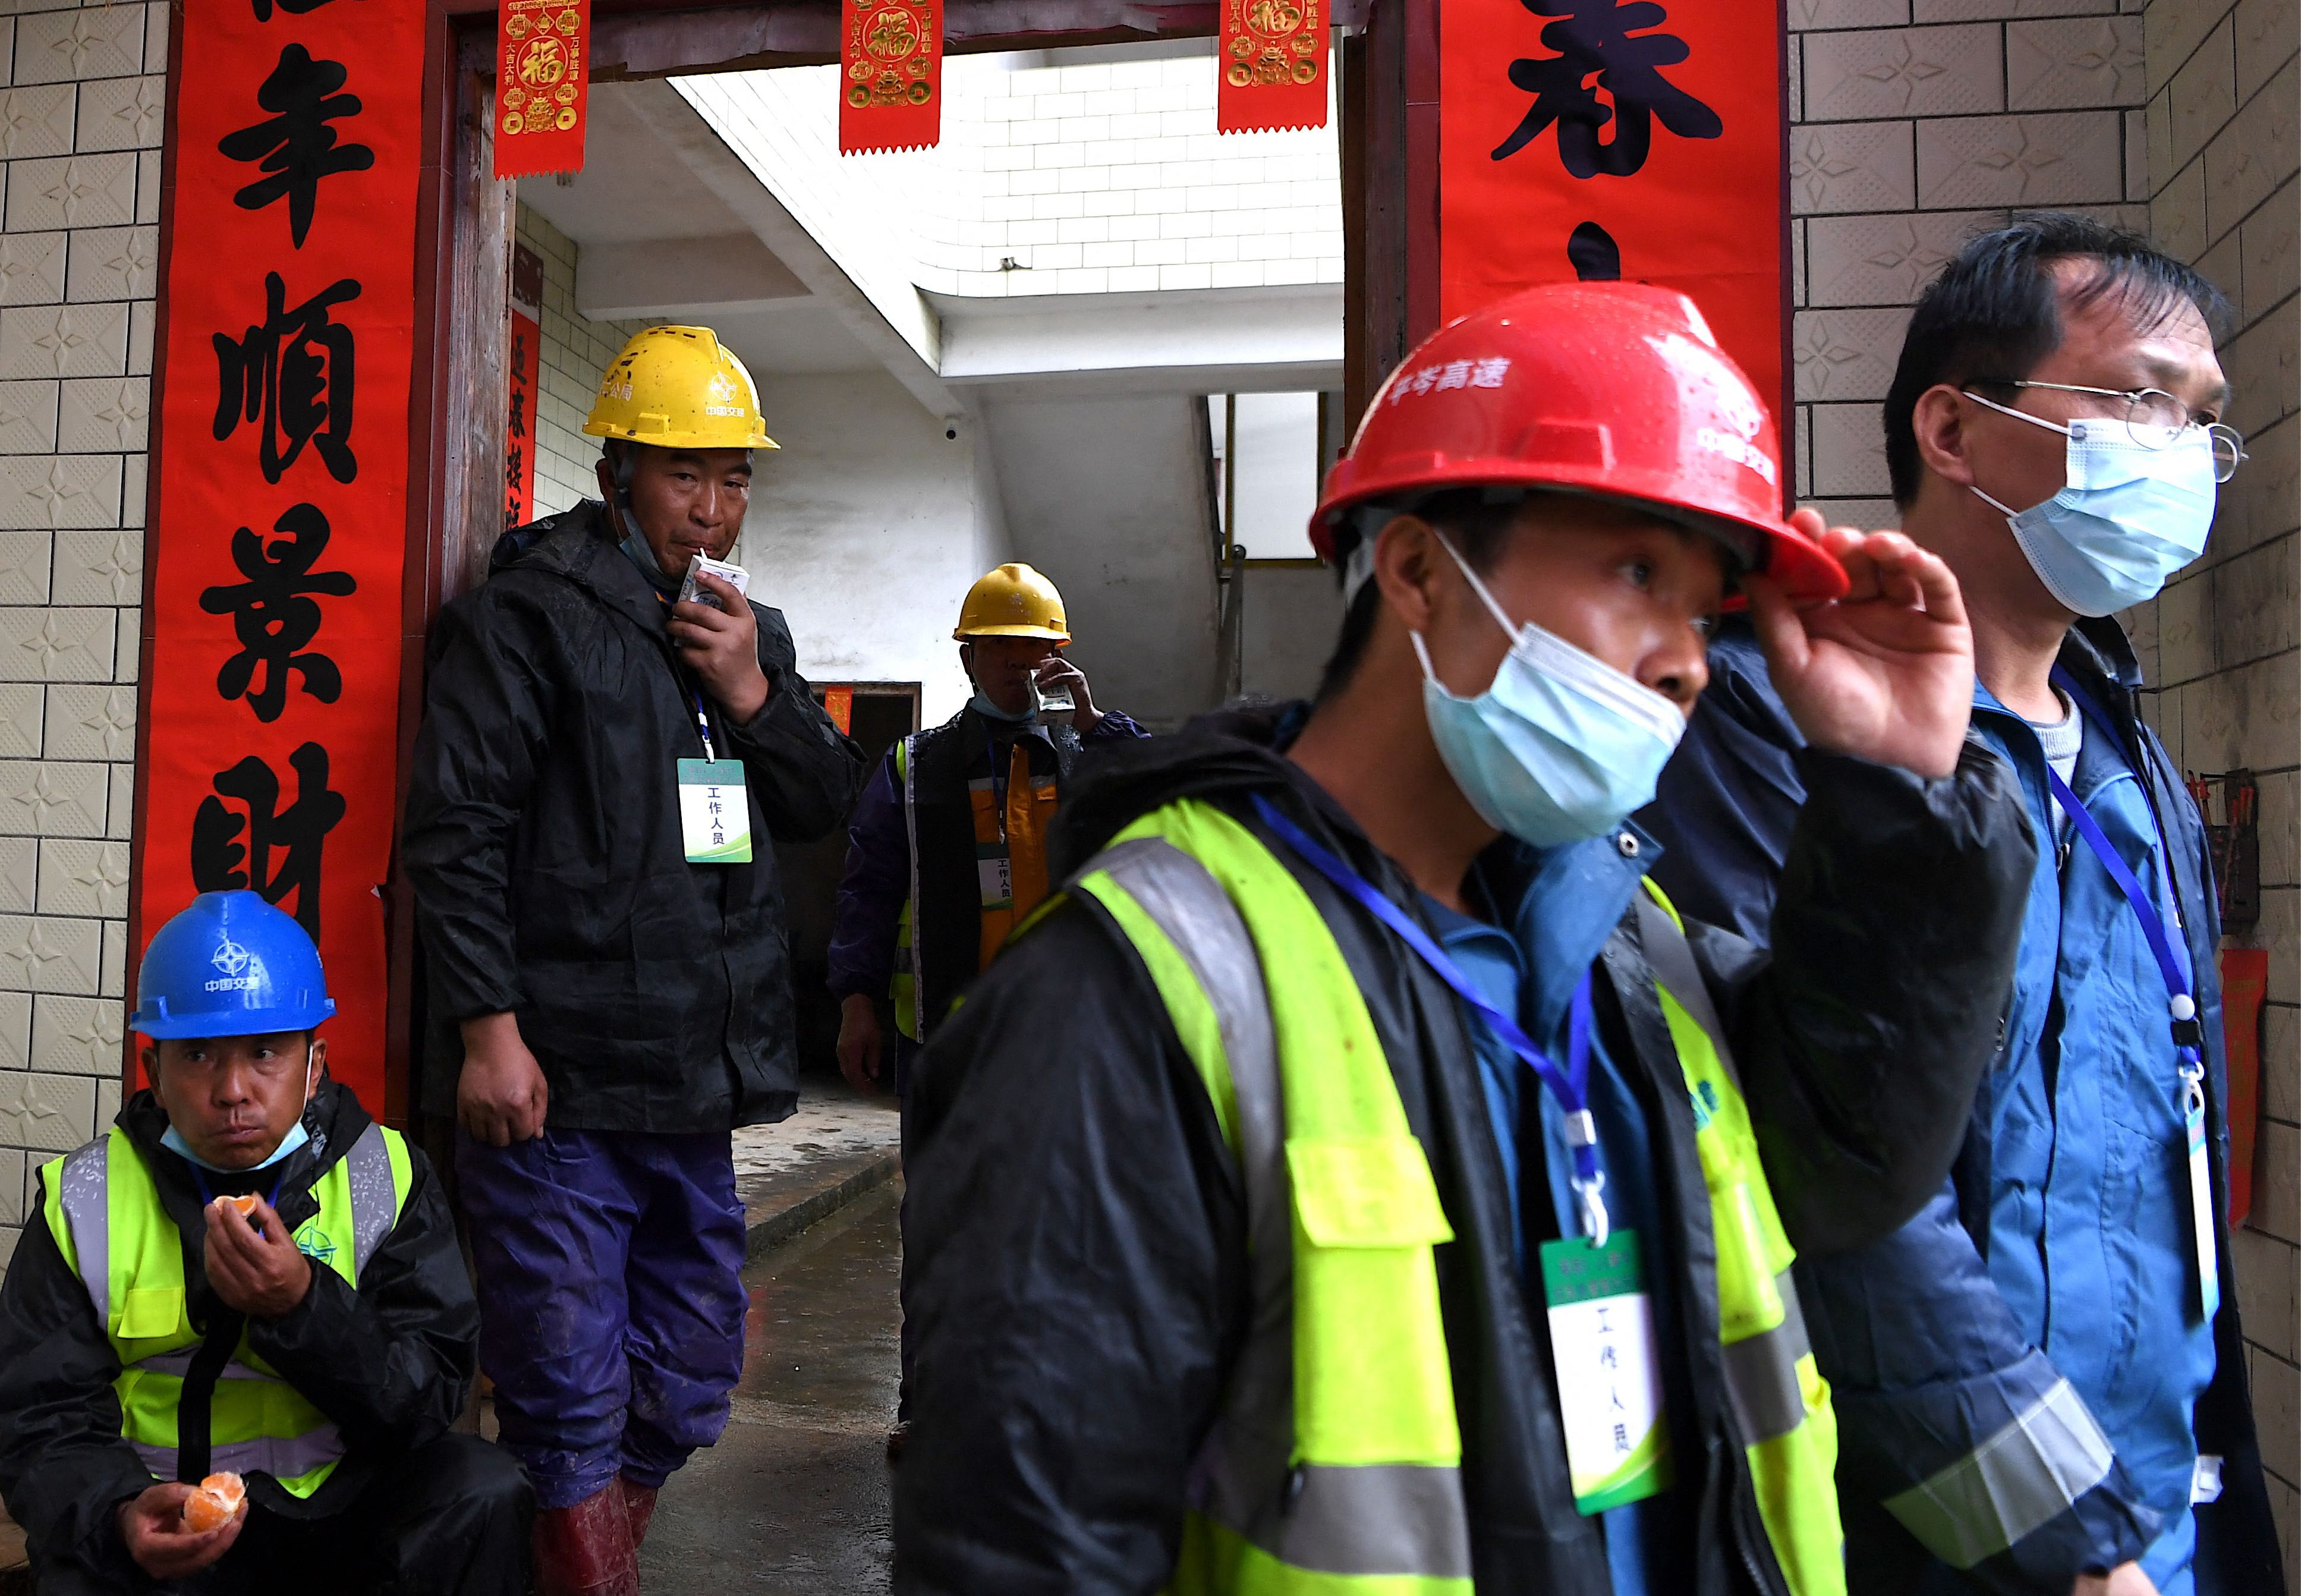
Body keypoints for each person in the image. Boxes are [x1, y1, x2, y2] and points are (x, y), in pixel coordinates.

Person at [891, 281, 2038, 1595]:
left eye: (1706, 607)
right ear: (1421, 570)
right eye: (1633, 572)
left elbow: (1847, 1167)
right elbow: (1027, 1543)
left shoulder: (1627, 946)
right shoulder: (1133, 988)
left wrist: (1898, 796)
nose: (1689, 663)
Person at [1640, 215, 2283, 1596]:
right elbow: (1832, 1177)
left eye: (2202, 420)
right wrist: (2050, 1534)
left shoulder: (2123, 750)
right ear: (1952, 429)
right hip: (1911, 1522)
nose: (2177, 454)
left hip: (2149, 1501)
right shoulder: (1779, 728)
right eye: (2135, 399)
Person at [401, 324, 866, 1596]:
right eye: (684, 477)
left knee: (696, 1364)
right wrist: (488, 1029)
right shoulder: (525, 621)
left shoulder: (742, 627)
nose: (712, 511)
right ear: (617, 472)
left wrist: (758, 694)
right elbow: (458, 831)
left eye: (733, 479)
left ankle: (591, 1554)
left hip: (695, 1083)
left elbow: (829, 802)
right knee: (562, 1376)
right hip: (555, 1084)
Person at [0, 891, 529, 1595]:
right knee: (78, 1566)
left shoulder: (383, 1178)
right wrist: (117, 1512)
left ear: (314, 1066)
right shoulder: (85, 1196)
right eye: (198, 1056)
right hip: (164, 1519)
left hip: (337, 1521)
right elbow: (37, 1416)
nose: (233, 1090)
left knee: (483, 1489)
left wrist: (303, 1307)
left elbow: (427, 1400)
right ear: (154, 1074)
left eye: (265, 1053)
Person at [830, 561, 1150, 1101]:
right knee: (942, 1183)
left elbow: (1165, 800)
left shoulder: (1085, 755)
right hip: (945, 1026)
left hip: (1064, 1026)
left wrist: (1094, 724)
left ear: (1057, 658)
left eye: (1035, 647)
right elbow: (868, 889)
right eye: (999, 643)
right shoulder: (916, 765)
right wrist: (856, 1004)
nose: (1018, 660)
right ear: (968, 657)